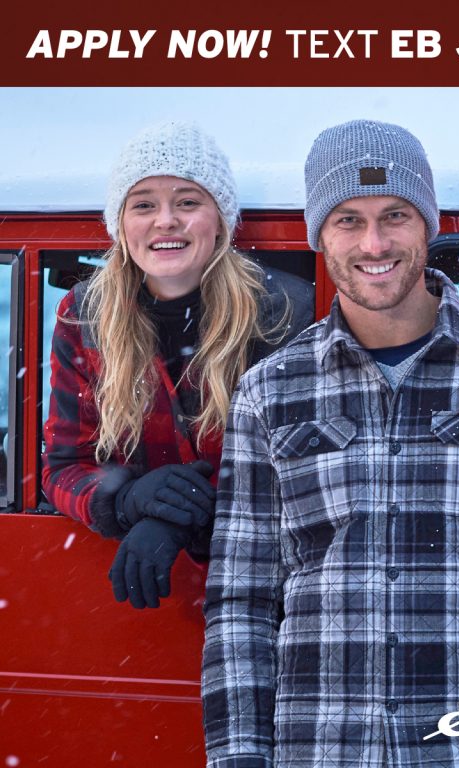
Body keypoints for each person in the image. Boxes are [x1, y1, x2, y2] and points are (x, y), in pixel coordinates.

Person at [202, 119, 459, 767]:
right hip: (324, 751)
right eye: (348, 220)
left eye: (394, 215)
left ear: (427, 224)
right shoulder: (270, 390)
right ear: (320, 235)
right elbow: (243, 600)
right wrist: (239, 755)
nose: (374, 243)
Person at [42, 121, 314, 610]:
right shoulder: (85, 316)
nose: (166, 221)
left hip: (274, 585)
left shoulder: (284, 311)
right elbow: (63, 466)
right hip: (152, 614)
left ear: (220, 220)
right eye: (143, 204)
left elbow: (304, 467)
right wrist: (126, 500)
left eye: (188, 202)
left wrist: (177, 517)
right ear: (121, 224)